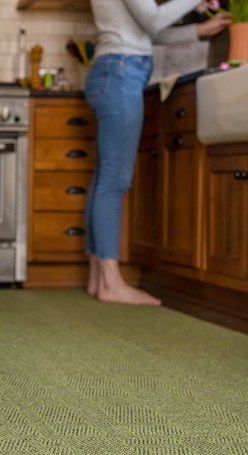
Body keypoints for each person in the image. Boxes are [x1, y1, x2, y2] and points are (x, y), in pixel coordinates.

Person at [84, 0, 231, 305]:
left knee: (104, 178)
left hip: (113, 69)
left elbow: (149, 32)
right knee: (114, 179)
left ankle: (98, 278)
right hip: (122, 70)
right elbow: (153, 20)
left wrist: (199, 30)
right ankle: (111, 282)